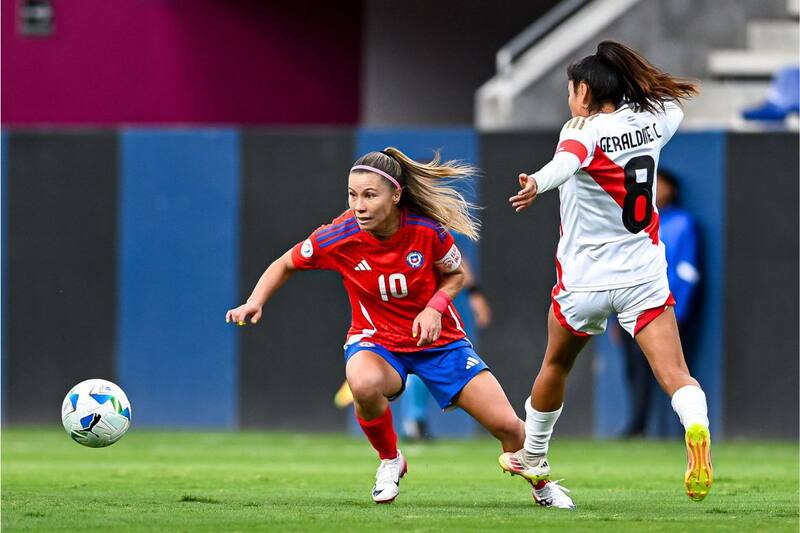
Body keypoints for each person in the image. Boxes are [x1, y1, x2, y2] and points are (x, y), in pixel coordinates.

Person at [226, 147, 525, 504]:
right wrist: (255, 302)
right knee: (363, 383)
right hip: (377, 342)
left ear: (396, 195)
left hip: (440, 343)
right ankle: (390, 460)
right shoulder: (338, 236)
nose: (359, 205)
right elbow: (285, 263)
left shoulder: (427, 231)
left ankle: (542, 484)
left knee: (509, 428)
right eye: (353, 195)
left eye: (369, 195)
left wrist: (434, 308)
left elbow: (455, 275)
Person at [498, 41, 712, 508]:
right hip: (643, 276)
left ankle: (534, 454)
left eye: (571, 89)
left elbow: (566, 162)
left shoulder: (581, 130)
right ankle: (696, 426)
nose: (568, 98)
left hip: (584, 280)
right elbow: (669, 105)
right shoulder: (656, 120)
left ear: (584, 91)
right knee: (675, 372)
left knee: (556, 364)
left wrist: (537, 182)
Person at [619, 169, 701, 436]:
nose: (657, 189)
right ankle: (638, 424)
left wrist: (680, 311)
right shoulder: (638, 221)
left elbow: (687, 271)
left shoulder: (683, 223)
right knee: (636, 371)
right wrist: (613, 316)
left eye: (662, 184)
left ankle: (689, 428)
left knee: (673, 371)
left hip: (666, 309)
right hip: (631, 305)